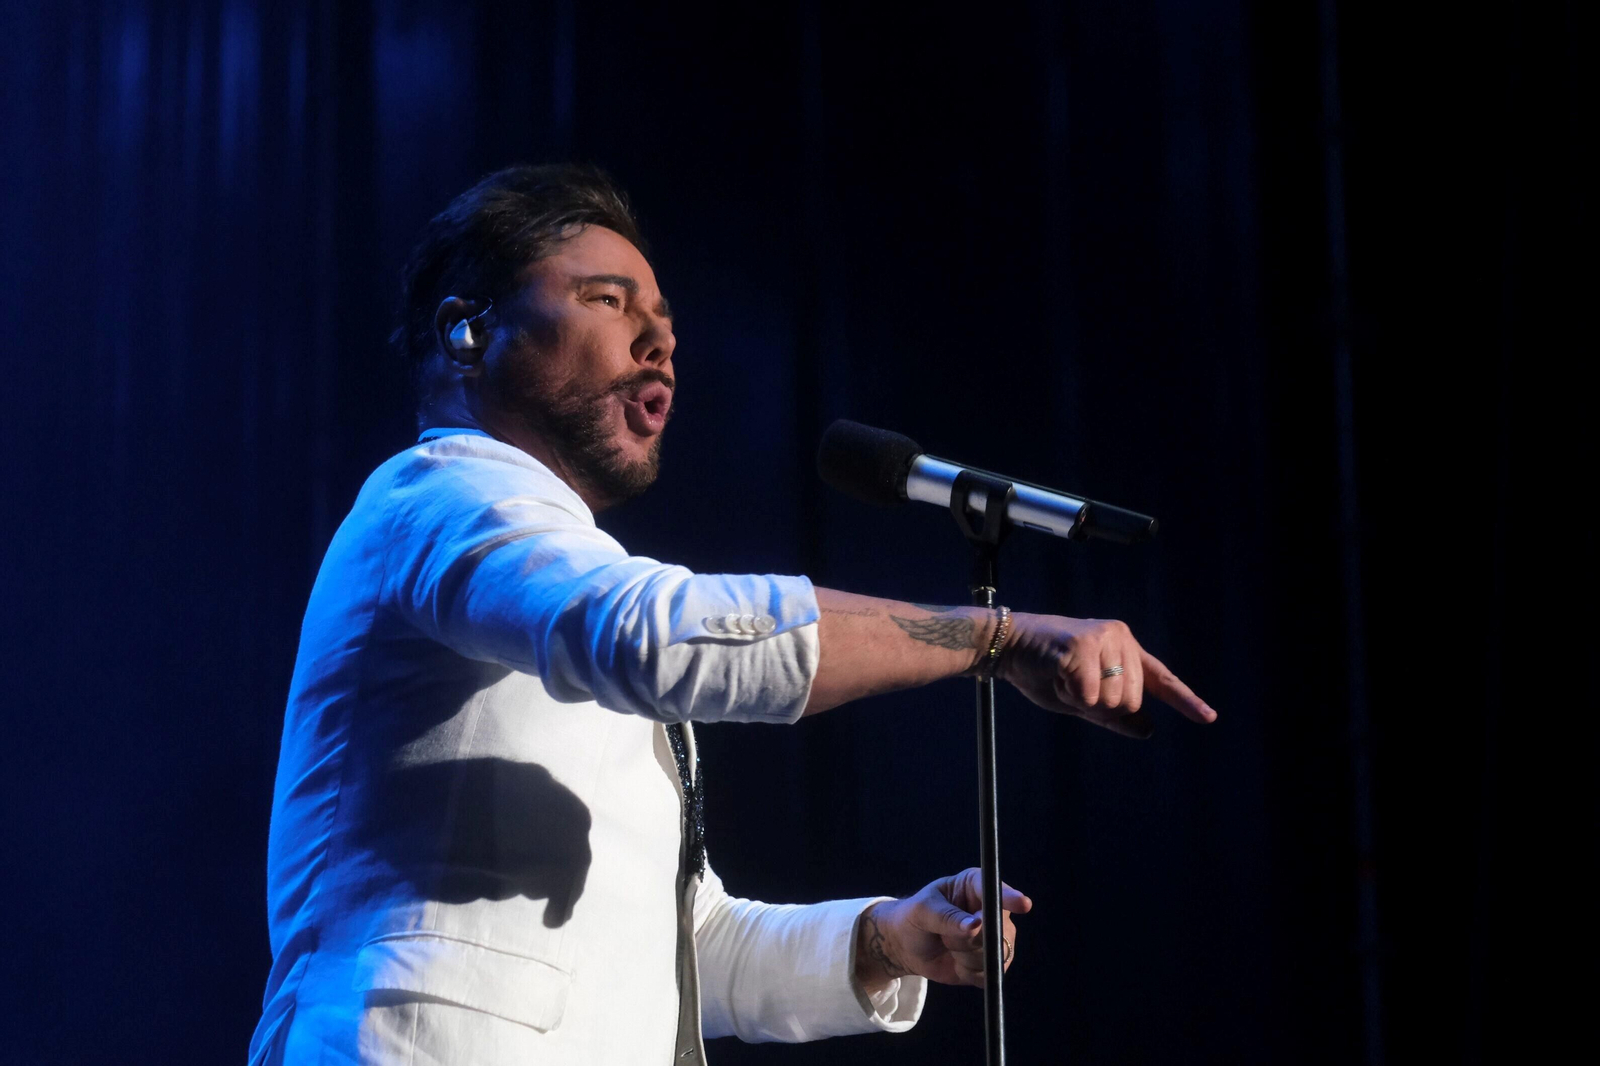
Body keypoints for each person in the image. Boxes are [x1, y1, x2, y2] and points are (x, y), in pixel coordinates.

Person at [247, 164, 1217, 1066]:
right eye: (606, 299)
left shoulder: (558, 587)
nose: (659, 337)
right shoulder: (438, 494)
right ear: (468, 331)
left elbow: (685, 944)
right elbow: (654, 636)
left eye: (664, 315)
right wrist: (994, 637)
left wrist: (883, 938)